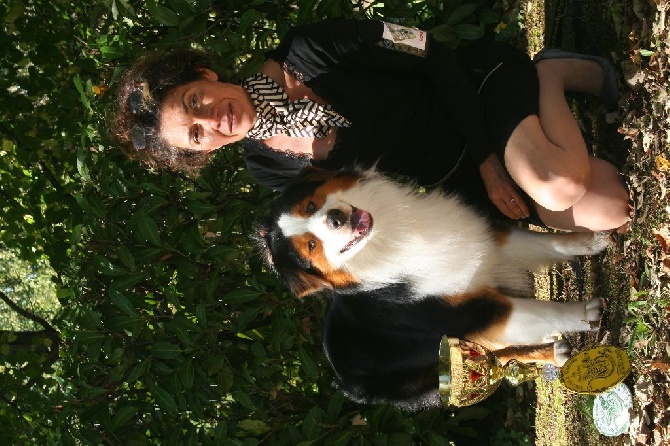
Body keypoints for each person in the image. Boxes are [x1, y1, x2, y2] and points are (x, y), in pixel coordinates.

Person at [113, 18, 630, 232]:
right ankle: (545, 148)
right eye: (196, 133)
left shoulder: (309, 47)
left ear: (204, 75)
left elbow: (427, 49)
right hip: (463, 176)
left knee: (557, 184)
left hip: (476, 91)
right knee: (611, 206)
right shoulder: (267, 167)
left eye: (196, 100)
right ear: (202, 152)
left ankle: (550, 73)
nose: (211, 119)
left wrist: (488, 161)